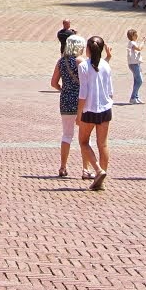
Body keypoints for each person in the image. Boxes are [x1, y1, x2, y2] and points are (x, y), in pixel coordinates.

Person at [76, 36, 113, 191]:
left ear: (89, 49)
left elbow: (83, 93)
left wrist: (79, 113)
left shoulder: (84, 66)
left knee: (83, 141)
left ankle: (98, 170)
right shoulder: (106, 65)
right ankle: (102, 177)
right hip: (105, 108)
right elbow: (111, 91)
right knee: (102, 143)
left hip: (90, 108)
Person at [50, 34, 89, 179]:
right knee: (85, 137)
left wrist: (63, 89)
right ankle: (85, 169)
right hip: (81, 101)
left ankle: (63, 166)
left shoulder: (61, 61)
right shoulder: (81, 62)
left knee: (67, 135)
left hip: (66, 100)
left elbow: (53, 82)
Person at [126, 28, 144, 104]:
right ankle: (133, 97)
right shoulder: (132, 43)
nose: (137, 35)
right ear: (132, 36)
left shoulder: (133, 43)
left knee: (136, 81)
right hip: (133, 64)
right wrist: (143, 41)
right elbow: (139, 48)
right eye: (135, 34)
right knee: (140, 80)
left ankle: (136, 97)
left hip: (136, 63)